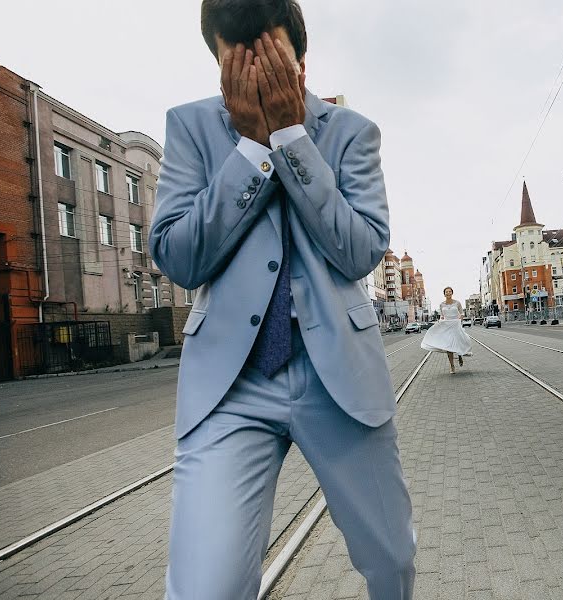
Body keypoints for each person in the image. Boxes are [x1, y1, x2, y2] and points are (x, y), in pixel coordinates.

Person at [149, 1, 415, 598]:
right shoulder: (190, 128)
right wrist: (249, 149)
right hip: (230, 387)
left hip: (339, 379)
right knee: (203, 589)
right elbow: (179, 257)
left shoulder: (351, 134)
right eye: (234, 67)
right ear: (215, 61)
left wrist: (291, 139)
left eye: (270, 64)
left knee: (391, 562)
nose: (254, 82)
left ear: (301, 59)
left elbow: (360, 251)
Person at [421, 287, 472, 374]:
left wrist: (460, 319)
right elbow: (442, 315)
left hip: (456, 325)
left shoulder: (457, 303)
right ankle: (452, 366)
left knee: (458, 342)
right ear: (444, 294)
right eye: (446, 292)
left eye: (449, 292)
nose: (448, 293)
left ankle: (460, 355)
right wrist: (440, 322)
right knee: (449, 346)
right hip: (447, 326)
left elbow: (462, 313)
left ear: (452, 293)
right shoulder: (441, 305)